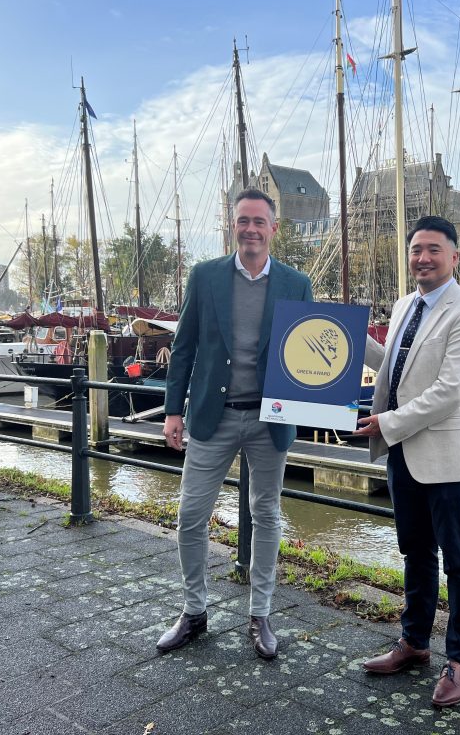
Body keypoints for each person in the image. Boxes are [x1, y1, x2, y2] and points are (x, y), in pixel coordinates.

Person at [156, 187, 312, 661]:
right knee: (190, 515)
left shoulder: (296, 283)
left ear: (274, 228)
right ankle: (194, 611)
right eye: (243, 220)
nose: (250, 229)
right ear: (233, 226)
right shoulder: (205, 277)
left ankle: (260, 613)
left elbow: (308, 351)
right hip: (213, 415)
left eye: (259, 221)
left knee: (266, 514)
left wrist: (318, 406)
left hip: (270, 420)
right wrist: (173, 410)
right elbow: (184, 347)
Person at [353, 215, 460, 707]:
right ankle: (414, 642)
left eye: (434, 249)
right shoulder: (403, 305)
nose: (423, 258)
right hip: (404, 454)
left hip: (448, 457)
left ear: (454, 256)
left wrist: (388, 423)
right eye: (416, 250)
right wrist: (345, 335)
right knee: (415, 552)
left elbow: (451, 391)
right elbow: (393, 368)